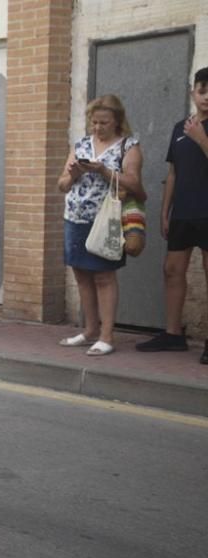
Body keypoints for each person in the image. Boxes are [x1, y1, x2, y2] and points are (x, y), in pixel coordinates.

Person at [57, 94, 145, 356]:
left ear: (117, 121)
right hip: (75, 217)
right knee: (81, 275)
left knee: (104, 276)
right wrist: (72, 175)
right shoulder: (81, 144)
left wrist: (104, 171)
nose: (97, 128)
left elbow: (136, 185)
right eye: (94, 122)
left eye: (104, 122)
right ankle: (89, 330)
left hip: (106, 220)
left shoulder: (128, 146)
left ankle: (107, 335)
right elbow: (61, 185)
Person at [136, 67, 208, 364]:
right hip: (183, 212)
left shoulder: (195, 131)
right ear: (193, 92)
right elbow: (173, 172)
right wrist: (165, 212)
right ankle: (173, 333)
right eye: (202, 90)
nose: (207, 97)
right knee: (172, 269)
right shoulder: (181, 127)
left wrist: (201, 138)